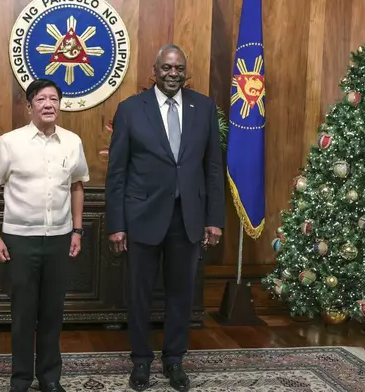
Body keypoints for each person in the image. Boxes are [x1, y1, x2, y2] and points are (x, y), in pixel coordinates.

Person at [105, 44, 224, 391]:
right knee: (139, 293)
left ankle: (174, 360)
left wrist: (213, 218)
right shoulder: (130, 110)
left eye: (179, 68)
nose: (173, 74)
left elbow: (213, 168)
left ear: (186, 72)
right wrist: (117, 224)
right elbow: (117, 172)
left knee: (181, 294)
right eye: (167, 68)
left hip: (187, 218)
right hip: (142, 216)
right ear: (154, 71)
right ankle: (141, 361)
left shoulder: (203, 108)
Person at [0, 78, 90, 392]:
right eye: (41, 99)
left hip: (59, 238)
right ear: (29, 106)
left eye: (54, 99)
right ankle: (20, 379)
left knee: (53, 312)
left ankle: (49, 377)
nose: (48, 104)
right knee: (23, 313)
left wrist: (77, 230)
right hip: (19, 240)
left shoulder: (72, 142)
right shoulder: (10, 142)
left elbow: (77, 187)